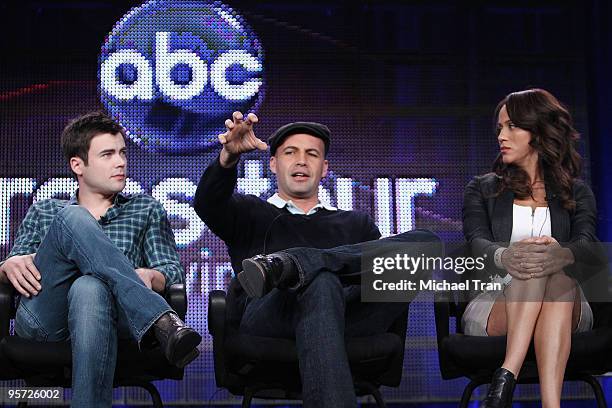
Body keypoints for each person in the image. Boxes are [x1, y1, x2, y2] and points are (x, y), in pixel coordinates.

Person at [194, 112, 440, 408]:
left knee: (426, 242)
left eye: (311, 154)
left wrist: (309, 265)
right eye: (290, 153)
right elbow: (208, 203)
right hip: (272, 314)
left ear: (324, 169)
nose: (301, 161)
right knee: (322, 282)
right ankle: (306, 267)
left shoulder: (356, 224)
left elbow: (379, 276)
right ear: (273, 164)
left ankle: (297, 263)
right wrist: (228, 157)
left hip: (350, 314)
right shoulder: (250, 213)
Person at [0, 112, 202, 407]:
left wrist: (150, 275)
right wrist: (6, 266)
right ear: (77, 165)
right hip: (46, 320)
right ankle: (160, 319)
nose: (120, 162)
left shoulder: (144, 209)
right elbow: (16, 262)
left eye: (122, 152)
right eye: (107, 154)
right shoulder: (45, 210)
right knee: (72, 216)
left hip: (116, 322)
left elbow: (171, 271)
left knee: (89, 288)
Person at [461, 89, 602, 408]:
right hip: (494, 301)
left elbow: (588, 248)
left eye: (511, 126)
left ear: (537, 132)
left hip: (567, 303)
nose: (501, 135)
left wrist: (562, 254)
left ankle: (504, 380)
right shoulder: (482, 189)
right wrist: (505, 256)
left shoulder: (577, 192)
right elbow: (476, 243)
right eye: (499, 128)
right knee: (530, 264)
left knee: (553, 272)